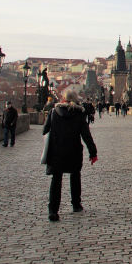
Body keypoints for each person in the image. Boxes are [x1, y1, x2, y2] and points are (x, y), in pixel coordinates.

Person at [42, 89, 97, 222]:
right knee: (75, 175)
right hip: (73, 149)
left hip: (56, 150)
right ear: (76, 99)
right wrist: (93, 152)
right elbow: (86, 135)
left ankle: (53, 210)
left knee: (56, 180)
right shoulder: (79, 114)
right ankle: (76, 204)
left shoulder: (53, 112)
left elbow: (45, 130)